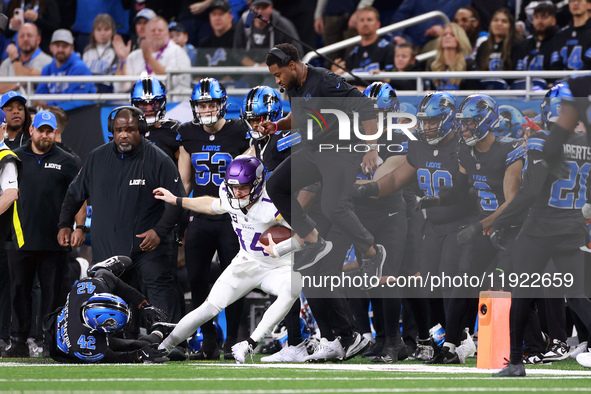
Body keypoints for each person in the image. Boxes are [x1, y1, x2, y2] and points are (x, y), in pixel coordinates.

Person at [154, 155, 303, 364]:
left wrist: (281, 249)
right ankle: (162, 347)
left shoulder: (275, 202)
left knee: (293, 287)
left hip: (279, 266)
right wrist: (177, 200)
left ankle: (250, 343)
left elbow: (308, 237)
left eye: (244, 186)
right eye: (234, 187)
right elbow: (212, 205)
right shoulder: (229, 192)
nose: (238, 192)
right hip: (247, 262)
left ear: (259, 183)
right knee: (207, 308)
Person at [262, 43, 386, 284]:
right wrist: (276, 126)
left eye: (278, 75)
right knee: (276, 185)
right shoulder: (293, 84)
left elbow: (365, 105)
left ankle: (372, 253)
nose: (277, 81)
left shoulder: (325, 80)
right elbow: (299, 117)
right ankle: (313, 240)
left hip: (341, 151)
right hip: (312, 150)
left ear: (292, 66)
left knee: (333, 207)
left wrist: (372, 148)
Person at [491, 80, 591, 376]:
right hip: (572, 224)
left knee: (521, 293)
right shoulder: (586, 143)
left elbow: (531, 190)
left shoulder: (542, 141)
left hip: (540, 227)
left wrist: (501, 221)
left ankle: (516, 362)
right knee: (575, 295)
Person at [419, 94, 524, 364]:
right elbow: (463, 190)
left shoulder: (508, 150)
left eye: (469, 124)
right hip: (485, 227)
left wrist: (480, 226)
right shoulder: (465, 151)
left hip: (512, 228)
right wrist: (437, 200)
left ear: (485, 120)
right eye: (462, 124)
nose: (463, 129)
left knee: (510, 286)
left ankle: (533, 345)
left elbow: (512, 203)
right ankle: (452, 344)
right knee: (460, 278)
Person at [57, 107, 185, 324]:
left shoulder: (159, 160)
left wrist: (159, 232)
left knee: (161, 294)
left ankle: (171, 342)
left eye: (129, 129)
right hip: (109, 248)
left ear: (141, 130)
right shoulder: (96, 158)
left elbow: (177, 202)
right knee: (110, 302)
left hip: (149, 248)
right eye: (118, 130)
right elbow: (74, 194)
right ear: (112, 131)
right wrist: (65, 224)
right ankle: (121, 345)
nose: (123, 135)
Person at [176, 78, 249, 360]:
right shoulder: (187, 134)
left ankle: (232, 339)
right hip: (202, 216)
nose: (206, 109)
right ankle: (208, 341)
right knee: (197, 280)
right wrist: (179, 220)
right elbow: (184, 183)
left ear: (222, 104)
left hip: (232, 218)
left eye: (211, 103)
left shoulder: (239, 131)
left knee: (235, 281)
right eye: (201, 104)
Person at [2, 111, 83, 358]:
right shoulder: (15, 157)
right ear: (32, 130)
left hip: (55, 238)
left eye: (50, 130)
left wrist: (80, 227)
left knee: (53, 294)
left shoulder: (69, 160)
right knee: (19, 292)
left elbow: (79, 196)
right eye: (41, 130)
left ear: (55, 132)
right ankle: (18, 341)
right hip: (20, 236)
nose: (46, 135)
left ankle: (51, 342)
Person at [43, 256, 172, 363]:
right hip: (63, 346)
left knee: (104, 275)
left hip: (73, 317)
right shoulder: (85, 345)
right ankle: (160, 332)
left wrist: (143, 305)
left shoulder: (87, 288)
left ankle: (98, 268)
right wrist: (139, 355)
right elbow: (113, 357)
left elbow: (116, 283)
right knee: (136, 346)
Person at [116, 17, 191, 95]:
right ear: (145, 33)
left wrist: (149, 59)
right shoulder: (134, 55)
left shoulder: (177, 52)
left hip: (171, 102)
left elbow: (172, 82)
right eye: (153, 30)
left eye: (160, 30)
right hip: (140, 102)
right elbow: (122, 87)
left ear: (168, 33)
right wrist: (123, 60)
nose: (157, 33)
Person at [0, 108, 21, 354]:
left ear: (3, 129)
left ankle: (3, 336)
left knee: (3, 291)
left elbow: (10, 194)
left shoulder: (6, 157)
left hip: (3, 235)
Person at [35, 29, 96, 111]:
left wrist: (48, 105)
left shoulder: (80, 68)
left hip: (81, 114)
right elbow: (39, 97)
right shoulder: (47, 69)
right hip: (57, 113)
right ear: (51, 48)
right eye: (57, 46)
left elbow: (75, 100)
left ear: (72, 48)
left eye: (64, 46)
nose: (60, 50)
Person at [240, 85, 295, 175]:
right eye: (251, 120)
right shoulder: (258, 141)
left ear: (274, 115)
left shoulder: (284, 137)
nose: (254, 125)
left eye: (258, 119)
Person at [233, 0, 304, 69]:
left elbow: (297, 52)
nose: (260, 12)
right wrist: (256, 67)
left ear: (271, 7)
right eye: (257, 8)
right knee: (243, 81)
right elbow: (237, 53)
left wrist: (274, 65)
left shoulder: (282, 25)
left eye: (264, 8)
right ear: (251, 8)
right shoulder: (244, 22)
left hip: (278, 70)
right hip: (251, 69)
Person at [130, 74, 181, 164]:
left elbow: (182, 172)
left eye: (154, 103)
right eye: (143, 104)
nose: (149, 109)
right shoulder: (127, 130)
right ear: (135, 104)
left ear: (163, 102)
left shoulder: (174, 130)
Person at [332, 7, 394, 79]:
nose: (365, 24)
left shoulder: (388, 49)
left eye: (369, 20)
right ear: (357, 25)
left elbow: (394, 79)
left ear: (378, 24)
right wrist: (335, 73)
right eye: (362, 20)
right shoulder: (352, 55)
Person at [0, 23, 52, 95]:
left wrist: (15, 60)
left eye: (29, 35)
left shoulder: (48, 61)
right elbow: (0, 88)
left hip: (34, 105)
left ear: (38, 39)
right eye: (22, 36)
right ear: (17, 39)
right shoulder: (7, 62)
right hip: (10, 105)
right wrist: (22, 82)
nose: (25, 39)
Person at [427, 23, 477, 91]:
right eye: (444, 34)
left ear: (459, 39)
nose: (447, 37)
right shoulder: (434, 64)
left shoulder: (468, 64)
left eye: (452, 35)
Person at [515, 3, 558, 72]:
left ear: (553, 21)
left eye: (544, 17)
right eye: (536, 17)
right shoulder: (525, 44)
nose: (539, 21)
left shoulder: (559, 41)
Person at [475, 8, 521, 72]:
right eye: (495, 20)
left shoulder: (517, 46)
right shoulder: (483, 46)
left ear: (511, 26)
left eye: (504, 21)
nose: (499, 24)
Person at [550, 0, 591, 70]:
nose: (575, 3)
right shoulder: (561, 34)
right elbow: (555, 65)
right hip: (563, 79)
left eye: (580, 0)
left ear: (589, 4)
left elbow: (588, 64)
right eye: (572, 1)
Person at [82, 14, 118, 93]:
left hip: (108, 91)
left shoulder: (116, 50)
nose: (103, 33)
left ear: (112, 31)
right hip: (88, 90)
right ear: (93, 31)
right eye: (99, 29)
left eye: (106, 29)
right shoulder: (87, 50)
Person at [197, 0, 236, 69]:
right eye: (214, 14)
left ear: (230, 17)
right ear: (210, 18)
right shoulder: (205, 43)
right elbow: (197, 74)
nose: (217, 18)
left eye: (221, 14)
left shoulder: (238, 40)